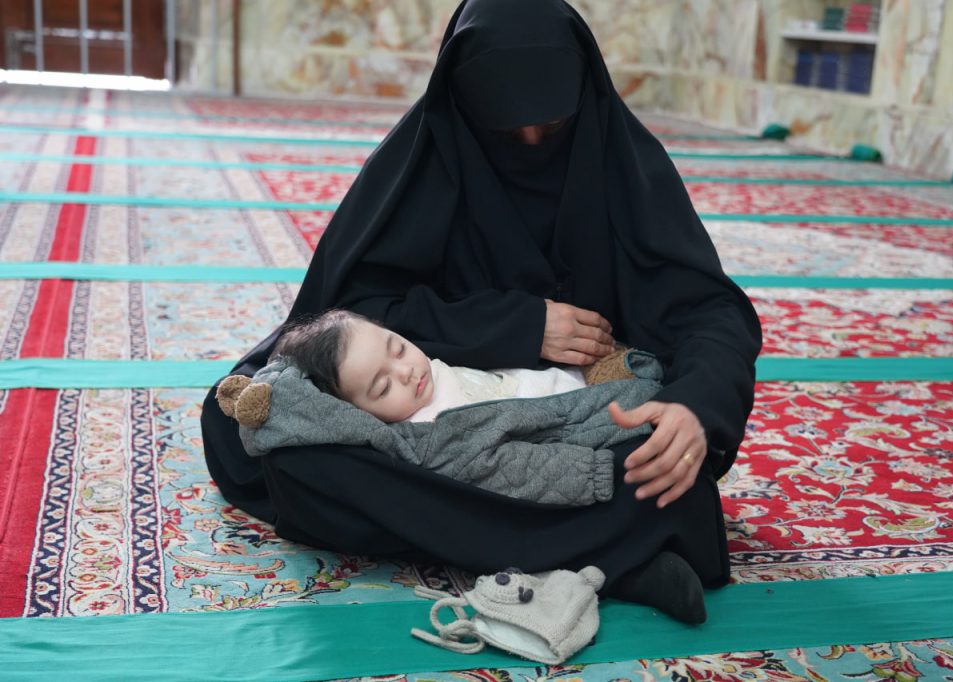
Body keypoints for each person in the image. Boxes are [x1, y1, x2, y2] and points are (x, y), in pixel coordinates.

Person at [201, 0, 762, 623]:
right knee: (280, 447)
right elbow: (353, 311)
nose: (530, 144)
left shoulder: (625, 167)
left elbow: (711, 313)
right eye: (503, 129)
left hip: (578, 418)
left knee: (661, 459)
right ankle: (621, 551)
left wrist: (695, 407)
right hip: (422, 416)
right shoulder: (426, 163)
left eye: (554, 125)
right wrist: (517, 326)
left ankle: (557, 540)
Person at [271, 308, 591, 423]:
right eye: (384, 387)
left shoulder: (431, 368)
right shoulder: (425, 429)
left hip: (563, 383)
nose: (406, 372)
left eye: (398, 349)